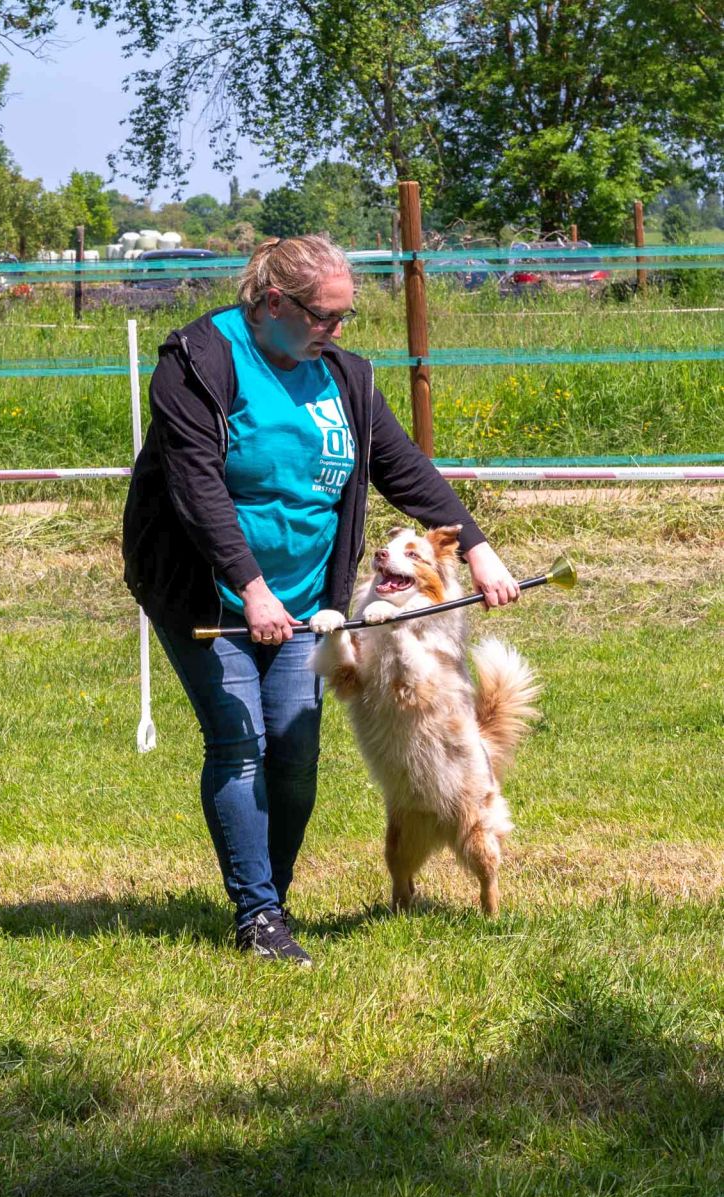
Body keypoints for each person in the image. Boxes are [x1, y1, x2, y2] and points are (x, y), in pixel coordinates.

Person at [123, 234, 519, 966]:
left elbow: (402, 465)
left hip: (308, 602)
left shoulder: (344, 376)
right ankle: (259, 917)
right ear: (274, 302)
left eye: (346, 317)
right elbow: (197, 487)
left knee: (296, 755)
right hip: (209, 594)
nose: (337, 331)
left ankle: (271, 893)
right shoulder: (201, 362)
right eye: (325, 317)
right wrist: (251, 586)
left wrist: (478, 544)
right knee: (240, 745)